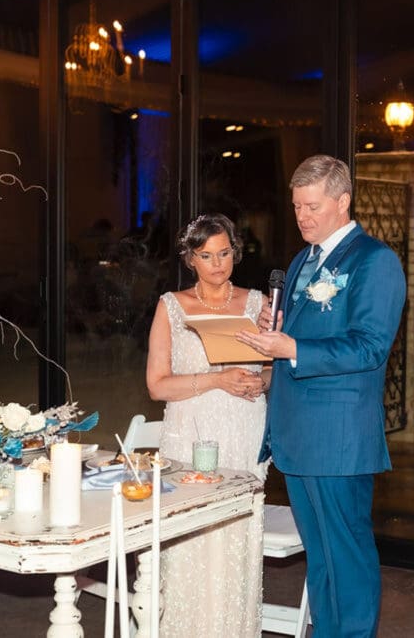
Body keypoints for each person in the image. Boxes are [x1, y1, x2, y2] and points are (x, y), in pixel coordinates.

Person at [237, 154, 406, 637]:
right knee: (322, 558)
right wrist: (278, 331)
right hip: (297, 433)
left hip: (338, 437)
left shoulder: (375, 260)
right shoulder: (302, 260)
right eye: (297, 207)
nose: (303, 217)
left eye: (312, 206)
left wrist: (292, 345)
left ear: (343, 201)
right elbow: (307, 333)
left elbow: (371, 346)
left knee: (347, 556)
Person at [145, 212, 269, 637]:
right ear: (190, 258)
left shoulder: (258, 304)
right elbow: (157, 385)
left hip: (243, 434)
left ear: (235, 252)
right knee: (189, 543)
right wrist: (218, 378)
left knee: (234, 541)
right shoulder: (171, 306)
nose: (218, 263)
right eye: (206, 255)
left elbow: (278, 370)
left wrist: (260, 380)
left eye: (225, 253)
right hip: (190, 435)